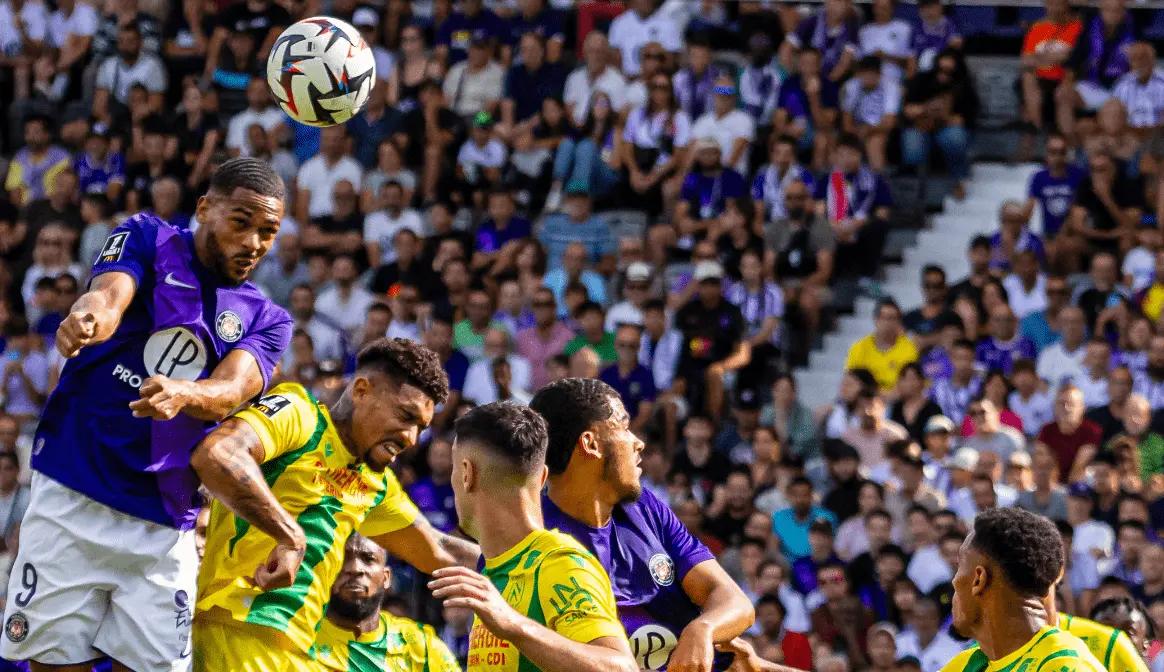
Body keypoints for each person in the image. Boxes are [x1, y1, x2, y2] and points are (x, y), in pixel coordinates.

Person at [0, 158, 292, 671]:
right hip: (74, 492)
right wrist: (88, 317)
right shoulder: (147, 237)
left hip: (163, 525)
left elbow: (229, 390)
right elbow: (110, 296)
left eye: (268, 231)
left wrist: (186, 392)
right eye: (241, 222)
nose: (253, 243)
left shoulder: (268, 320)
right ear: (204, 207)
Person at [193, 338, 479, 671]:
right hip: (237, 625)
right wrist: (290, 536)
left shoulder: (375, 482)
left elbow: (439, 550)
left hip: (296, 649)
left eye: (421, 427)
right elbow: (217, 454)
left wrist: (526, 562)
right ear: (361, 390)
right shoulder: (301, 415)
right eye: (405, 415)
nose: (411, 438)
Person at [530, 378, 758, 672]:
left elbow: (734, 601)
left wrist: (702, 628)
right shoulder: (538, 540)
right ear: (591, 443)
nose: (639, 442)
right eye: (624, 427)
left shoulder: (643, 508)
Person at [428, 401, 638, 672]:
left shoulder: (558, 563)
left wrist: (514, 625)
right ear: (542, 478)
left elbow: (622, 668)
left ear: (467, 474)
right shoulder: (496, 571)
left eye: (454, 470)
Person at [939, 507, 1106, 672]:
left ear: (979, 579)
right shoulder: (964, 664)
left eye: (960, 567)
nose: (954, 581)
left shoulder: (1064, 666)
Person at [313, 533, 462, 672]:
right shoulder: (300, 636)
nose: (355, 568)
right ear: (326, 571)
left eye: (368, 559)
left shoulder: (420, 646)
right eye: (343, 558)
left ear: (386, 578)